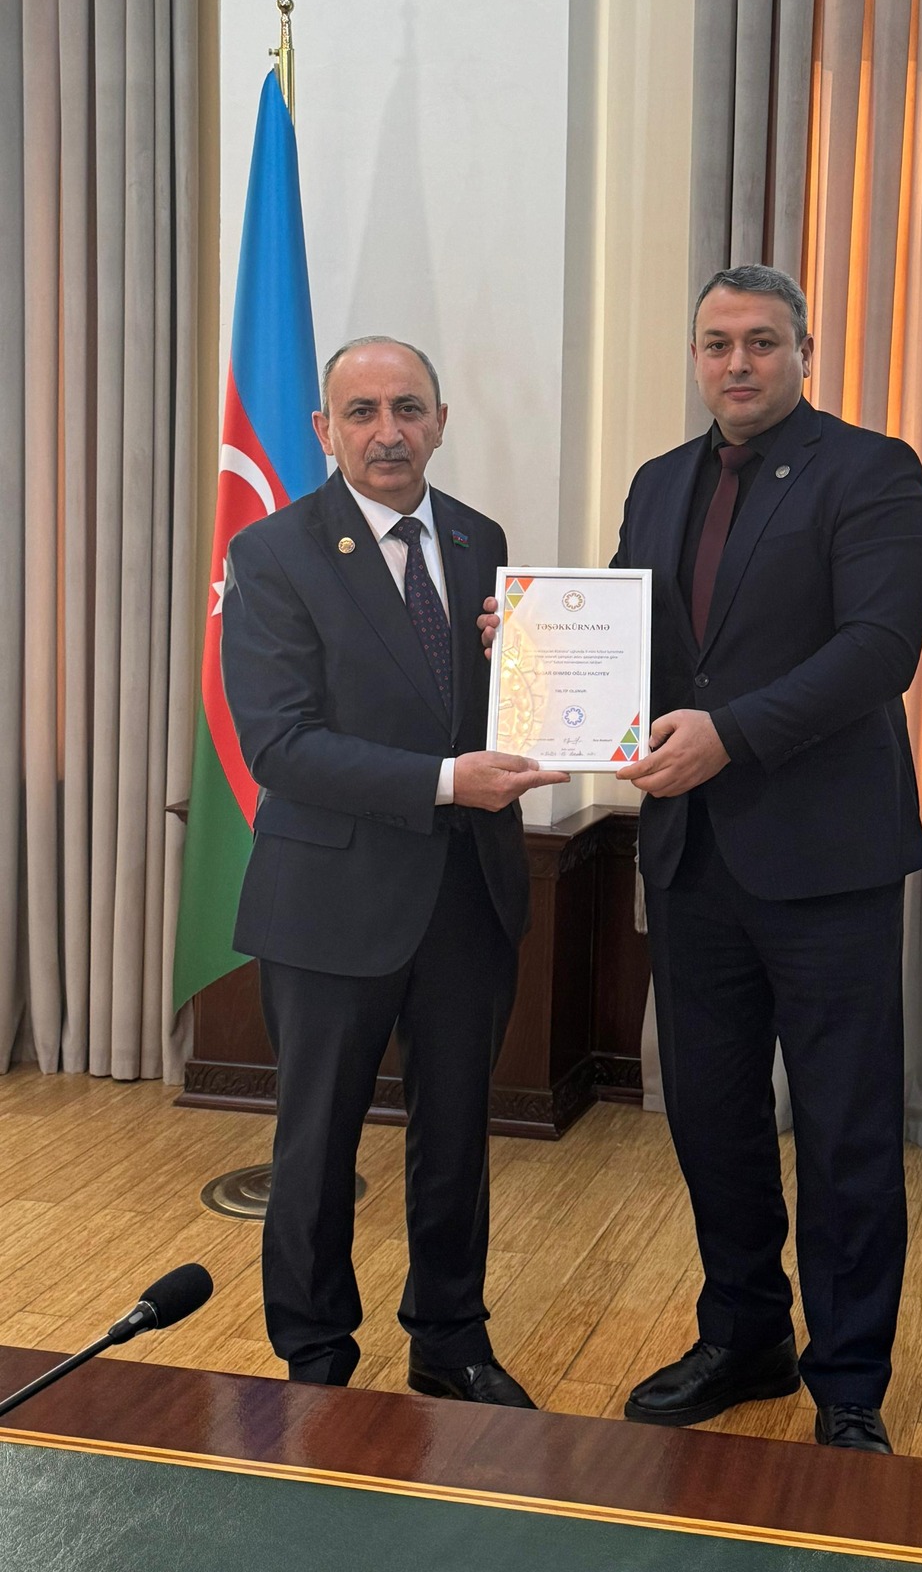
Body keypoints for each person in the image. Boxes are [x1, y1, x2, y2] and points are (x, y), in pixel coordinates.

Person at [486, 265, 922, 1452]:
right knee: (712, 1116)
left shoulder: (872, 470)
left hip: (827, 860)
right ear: (695, 356)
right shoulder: (659, 481)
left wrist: (731, 734)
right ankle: (745, 1334)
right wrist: (529, 646)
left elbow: (879, 649)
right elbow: (636, 646)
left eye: (762, 341)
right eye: (716, 342)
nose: (738, 362)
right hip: (690, 858)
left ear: (804, 351)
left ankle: (849, 1382)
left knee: (842, 1128)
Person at [221, 335, 566, 1399]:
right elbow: (280, 743)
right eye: (362, 411)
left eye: (408, 408)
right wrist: (449, 780)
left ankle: (451, 1340)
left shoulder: (478, 538)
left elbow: (485, 703)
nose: (388, 431)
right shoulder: (272, 552)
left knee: (457, 1135)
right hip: (330, 899)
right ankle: (316, 1356)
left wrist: (530, 668)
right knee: (317, 1144)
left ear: (441, 421)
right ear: (324, 430)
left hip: (467, 894)